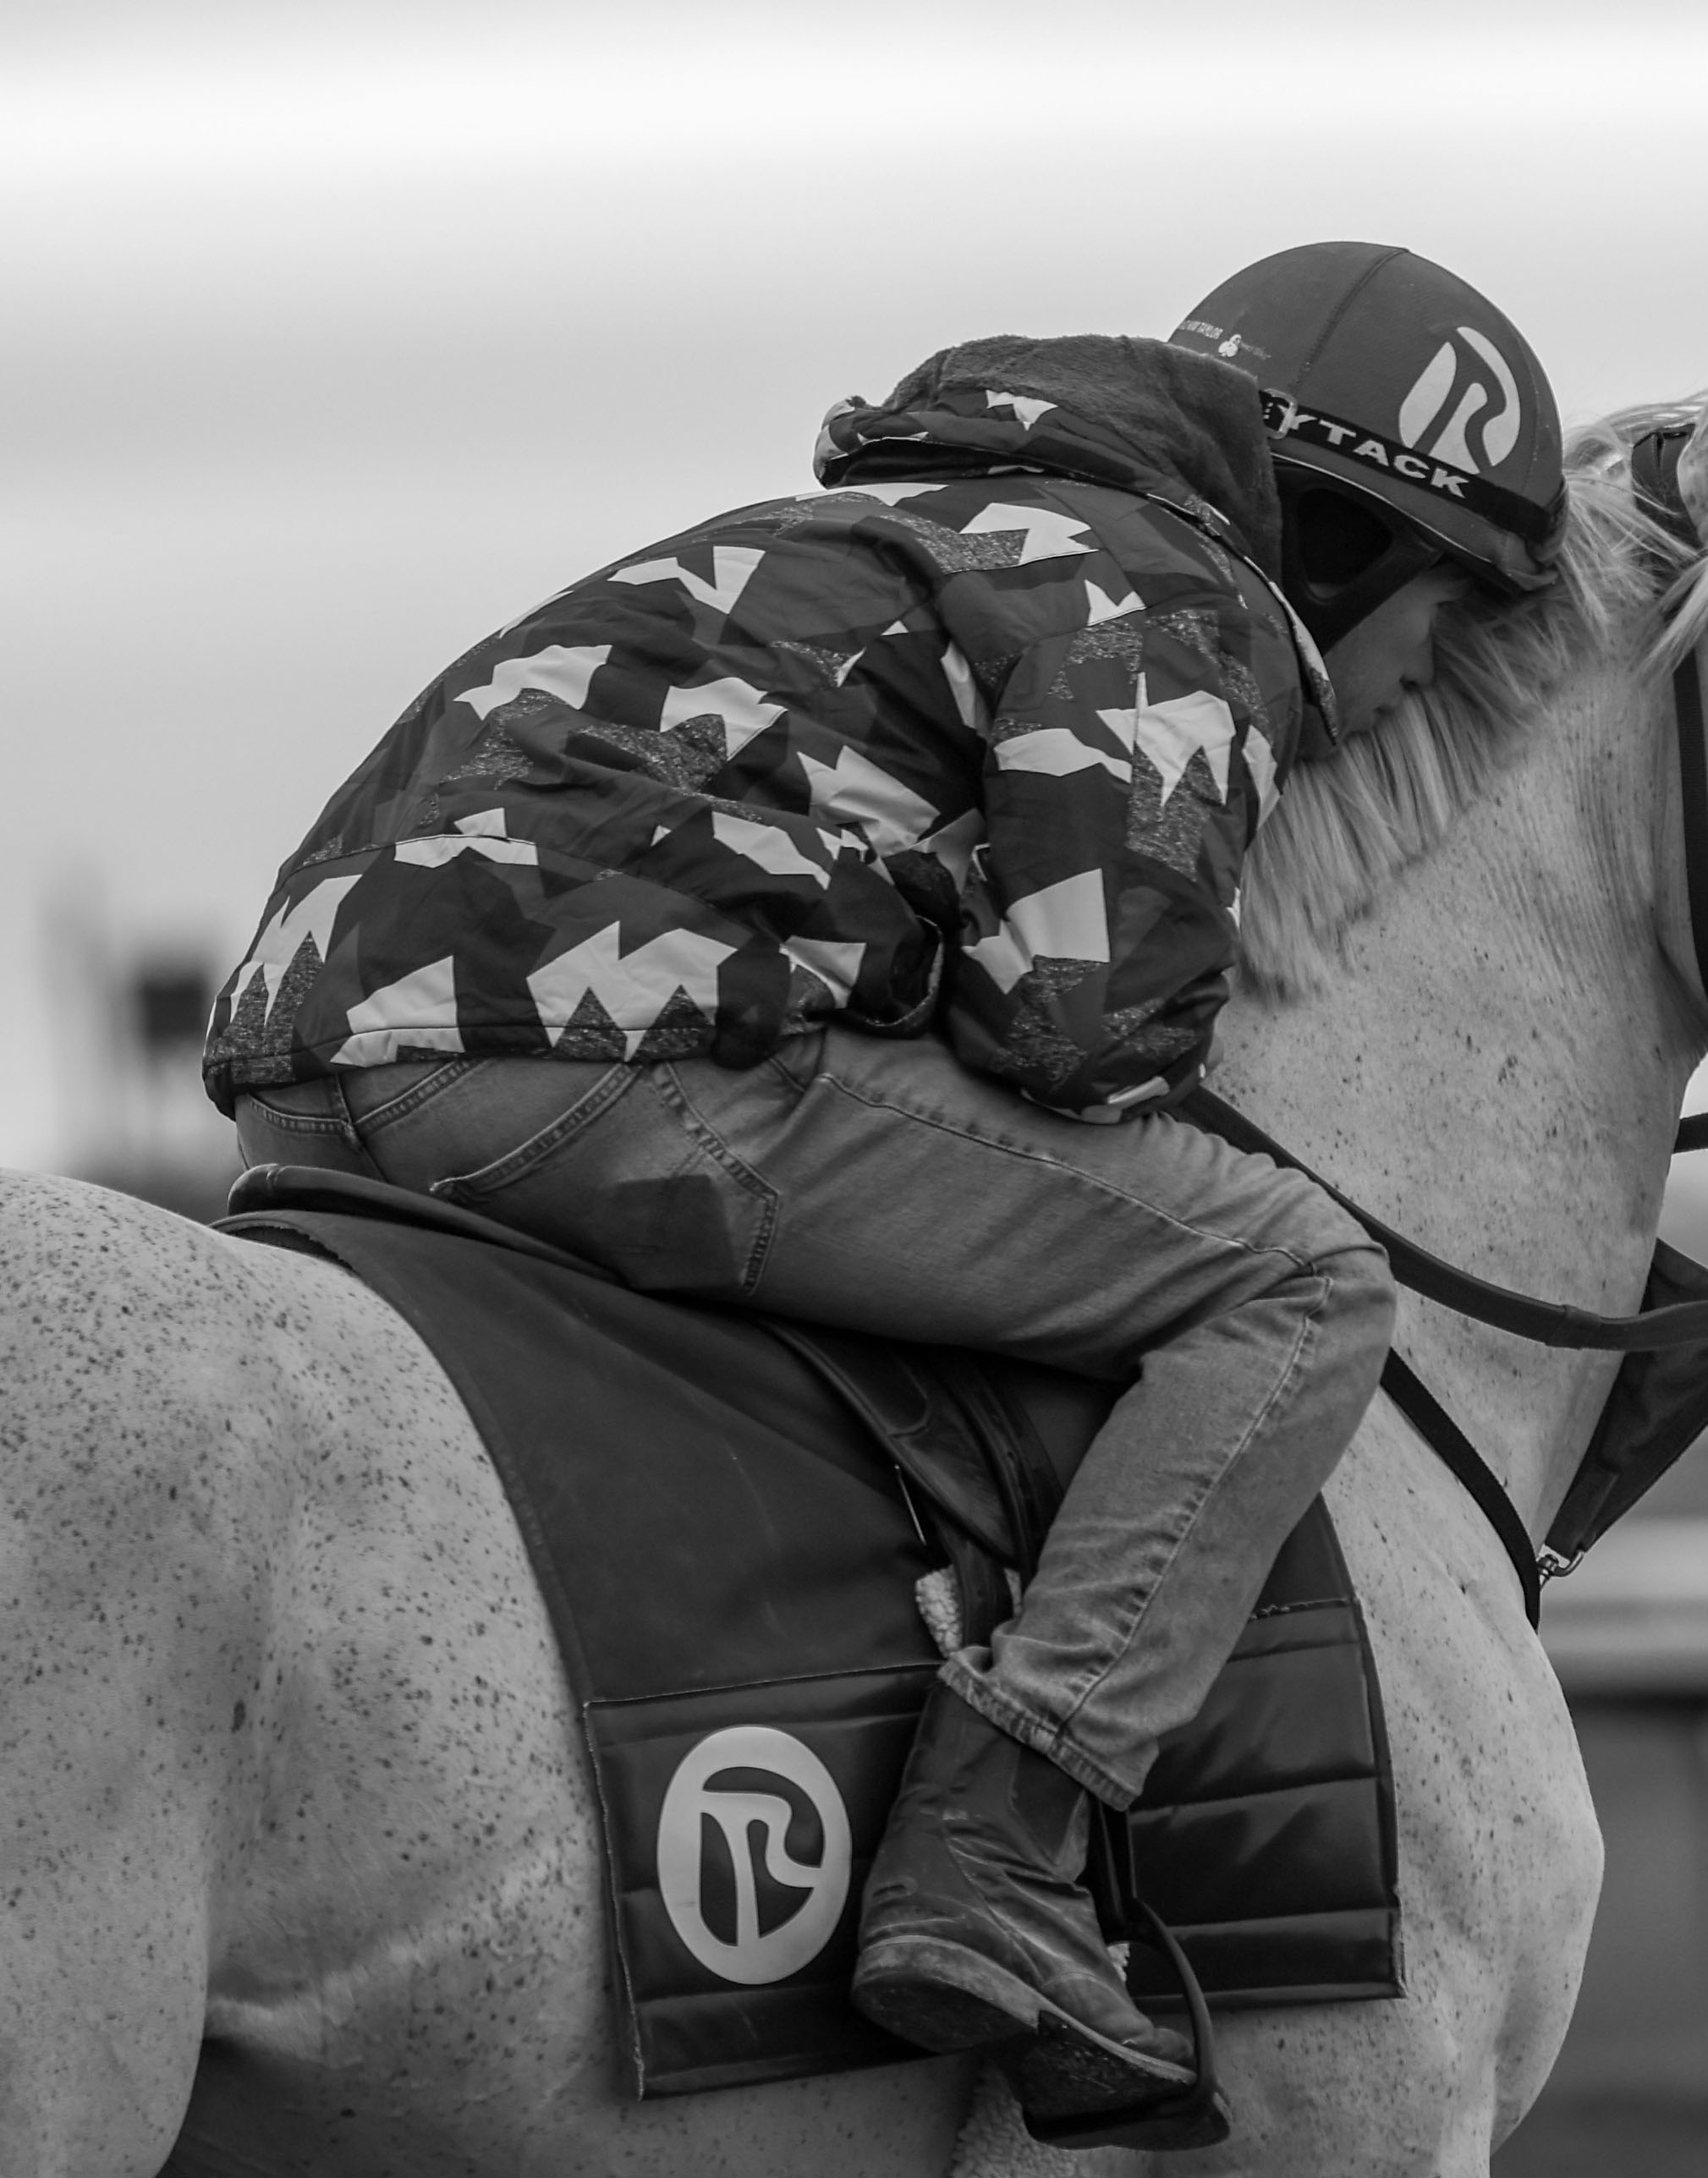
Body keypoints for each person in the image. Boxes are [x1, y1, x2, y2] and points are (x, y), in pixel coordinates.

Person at [200, 242, 1564, 2134]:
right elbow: (1091, 1034)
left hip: (307, 1085)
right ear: (1349, 548)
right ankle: (1000, 1834)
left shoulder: (904, 520)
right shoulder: (1184, 597)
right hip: (589, 1075)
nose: (1431, 676)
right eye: (1460, 611)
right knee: (1297, 1283)